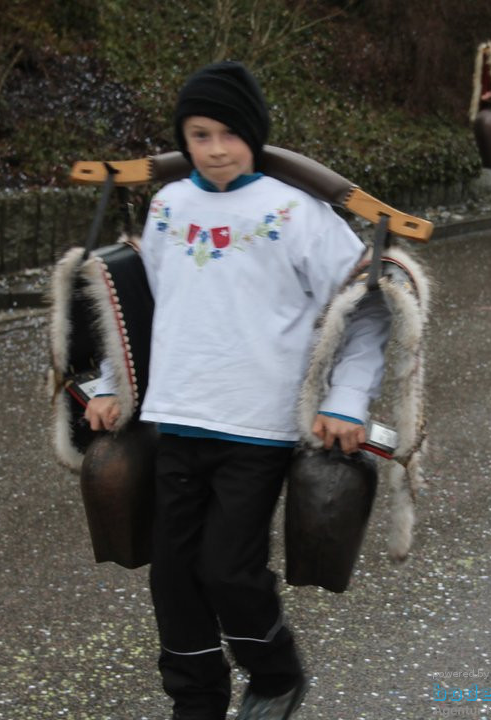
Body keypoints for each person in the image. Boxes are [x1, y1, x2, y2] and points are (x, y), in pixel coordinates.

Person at [84, 61, 389, 720]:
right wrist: (111, 386)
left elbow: (366, 307)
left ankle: (275, 674)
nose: (215, 148)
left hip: (260, 427)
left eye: (228, 132)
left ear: (254, 133)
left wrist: (347, 400)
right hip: (177, 420)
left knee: (227, 567)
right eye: (198, 134)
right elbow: (143, 312)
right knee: (173, 576)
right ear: (183, 139)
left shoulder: (297, 211)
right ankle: (195, 702)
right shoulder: (169, 206)